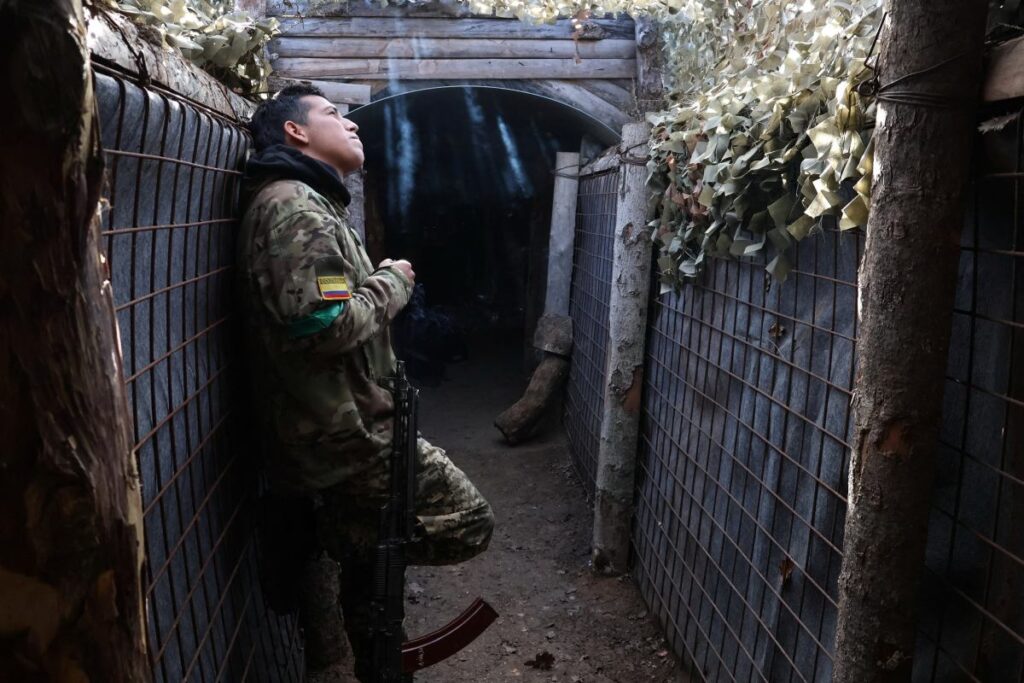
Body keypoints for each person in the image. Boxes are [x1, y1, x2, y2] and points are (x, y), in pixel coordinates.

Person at [237, 84, 494, 680]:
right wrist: (392, 281)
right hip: (348, 439)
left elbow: (326, 308)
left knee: (375, 600)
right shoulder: (298, 211)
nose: (352, 124)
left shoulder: (309, 205)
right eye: (333, 114)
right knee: (468, 521)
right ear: (295, 132)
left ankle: (349, 572)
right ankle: (334, 533)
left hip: (342, 428)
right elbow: (328, 325)